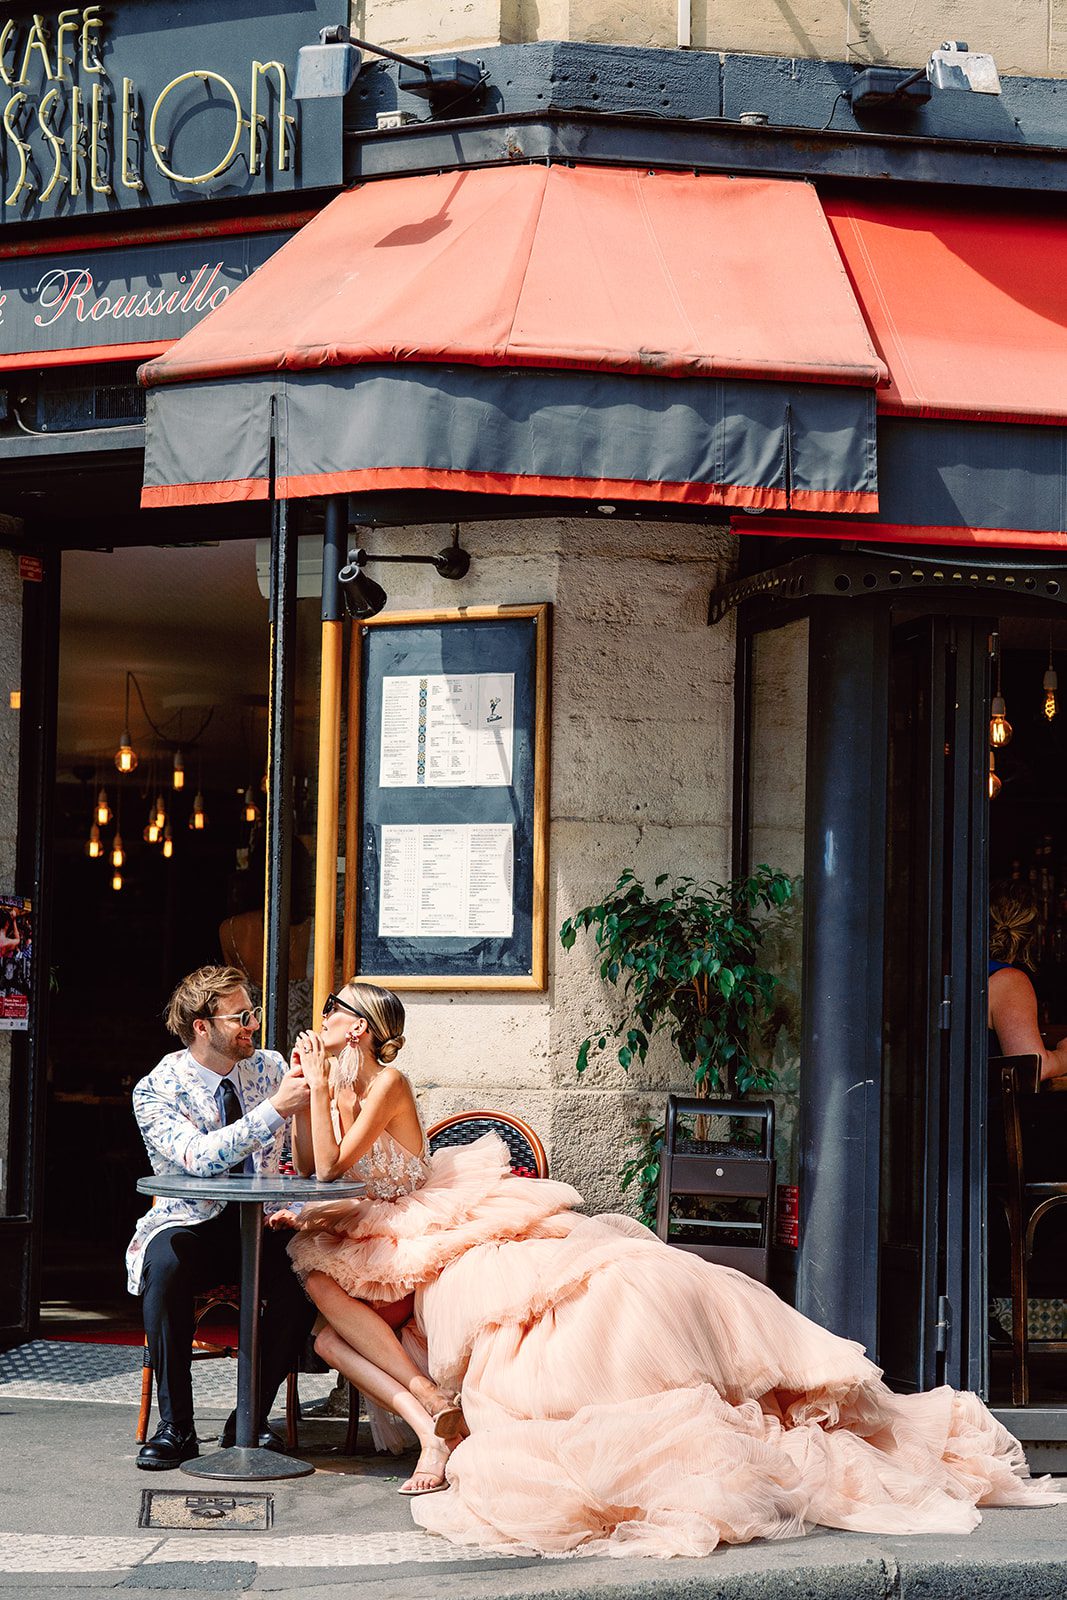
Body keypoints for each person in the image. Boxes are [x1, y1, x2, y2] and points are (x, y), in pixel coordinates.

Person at [273, 978, 1063, 1556]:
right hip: (372, 1218)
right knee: (319, 1305)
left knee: (335, 1299)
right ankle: (426, 1414)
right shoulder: (340, 1081)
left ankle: (432, 1415)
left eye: (338, 1013)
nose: (326, 1021)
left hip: (420, 1215)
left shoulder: (386, 1080)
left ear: (366, 1028)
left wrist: (312, 1102)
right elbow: (316, 1168)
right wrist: (309, 1091)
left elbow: (332, 1164)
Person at [127, 965, 315, 1470]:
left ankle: (248, 1418)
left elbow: (301, 1156)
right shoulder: (157, 1089)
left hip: (263, 1223)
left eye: (252, 1012)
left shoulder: (272, 1068)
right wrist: (273, 1110)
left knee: (309, 1276)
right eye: (240, 1016)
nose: (253, 1023)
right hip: (193, 1223)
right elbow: (200, 1159)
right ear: (202, 1026)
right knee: (163, 1267)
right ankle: (176, 1429)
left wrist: (295, 1207)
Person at [988, 878, 1067, 1079]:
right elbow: (1034, 1067)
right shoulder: (1007, 981)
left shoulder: (950, 968)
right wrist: (1064, 1055)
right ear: (1030, 937)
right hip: (987, 1109)